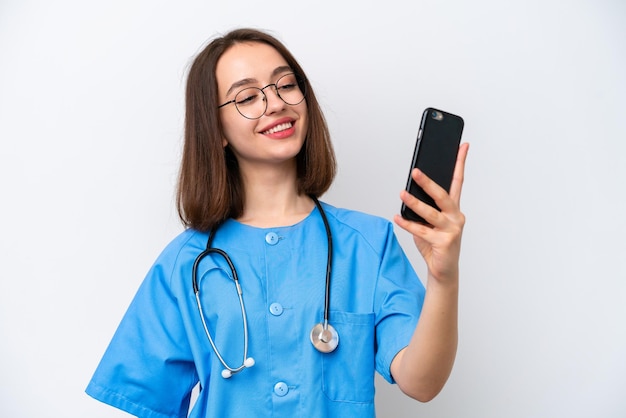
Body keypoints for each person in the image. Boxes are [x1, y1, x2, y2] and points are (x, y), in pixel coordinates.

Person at [85, 27, 469, 418]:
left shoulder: (368, 243)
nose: (275, 104)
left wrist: (444, 277)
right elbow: (145, 397)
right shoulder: (186, 261)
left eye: (285, 85)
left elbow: (421, 383)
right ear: (215, 130)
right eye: (248, 96)